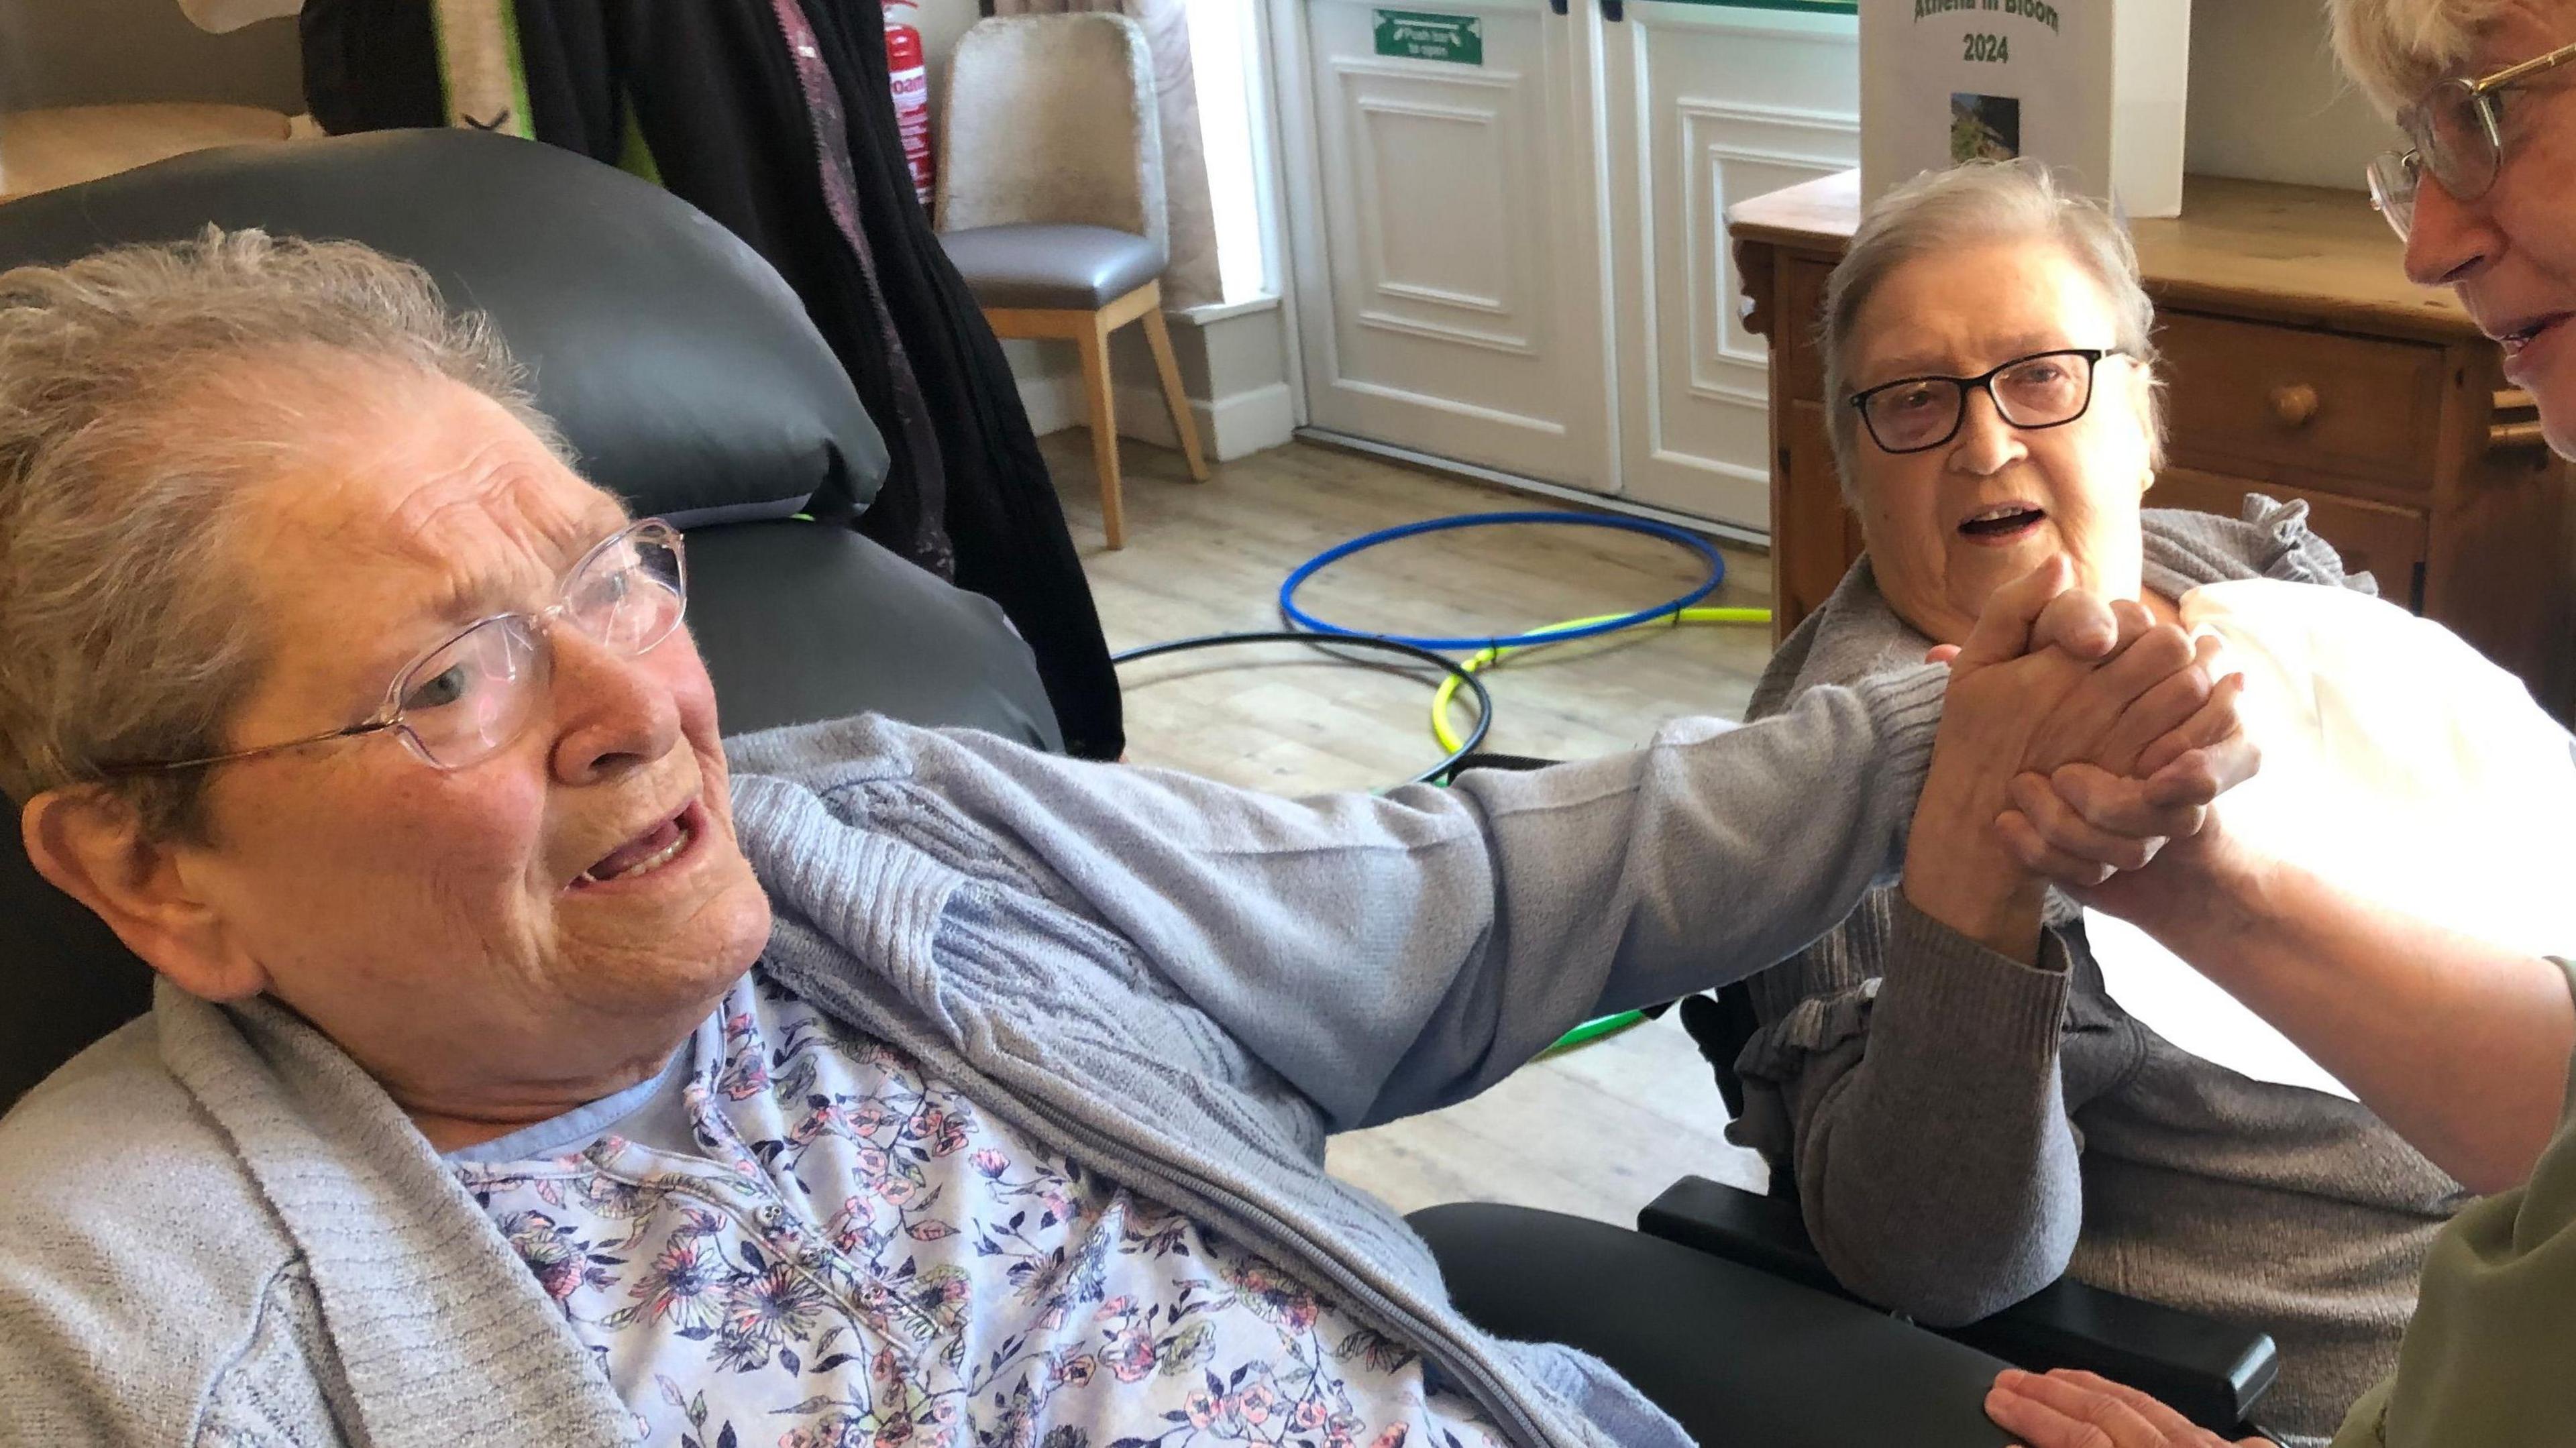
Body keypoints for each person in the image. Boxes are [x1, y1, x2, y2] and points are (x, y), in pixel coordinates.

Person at [0, 231, 2238, 1446]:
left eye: (613, 573)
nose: (638, 705)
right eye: (454, 675)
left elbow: (1484, 891)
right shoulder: (114, 1314)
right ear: (148, 873)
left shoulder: (888, 841)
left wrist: (1979, 733)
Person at [1721, 157, 2465, 1445]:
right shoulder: (1843, 775)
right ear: (1850, 465)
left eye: (2041, 375)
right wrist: (1981, 890)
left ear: (2143, 421)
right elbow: (1936, 1257)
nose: (1987, 442)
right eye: (1912, 401)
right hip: (2394, 1365)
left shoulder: (2243, 570)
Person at [1971, 0, 2576, 1443]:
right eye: (1908, 404)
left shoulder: (2316, 622)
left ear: (2150, 425)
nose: (2427, 245)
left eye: (2481, 115)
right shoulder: (1875, 741)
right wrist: (2189, 884)